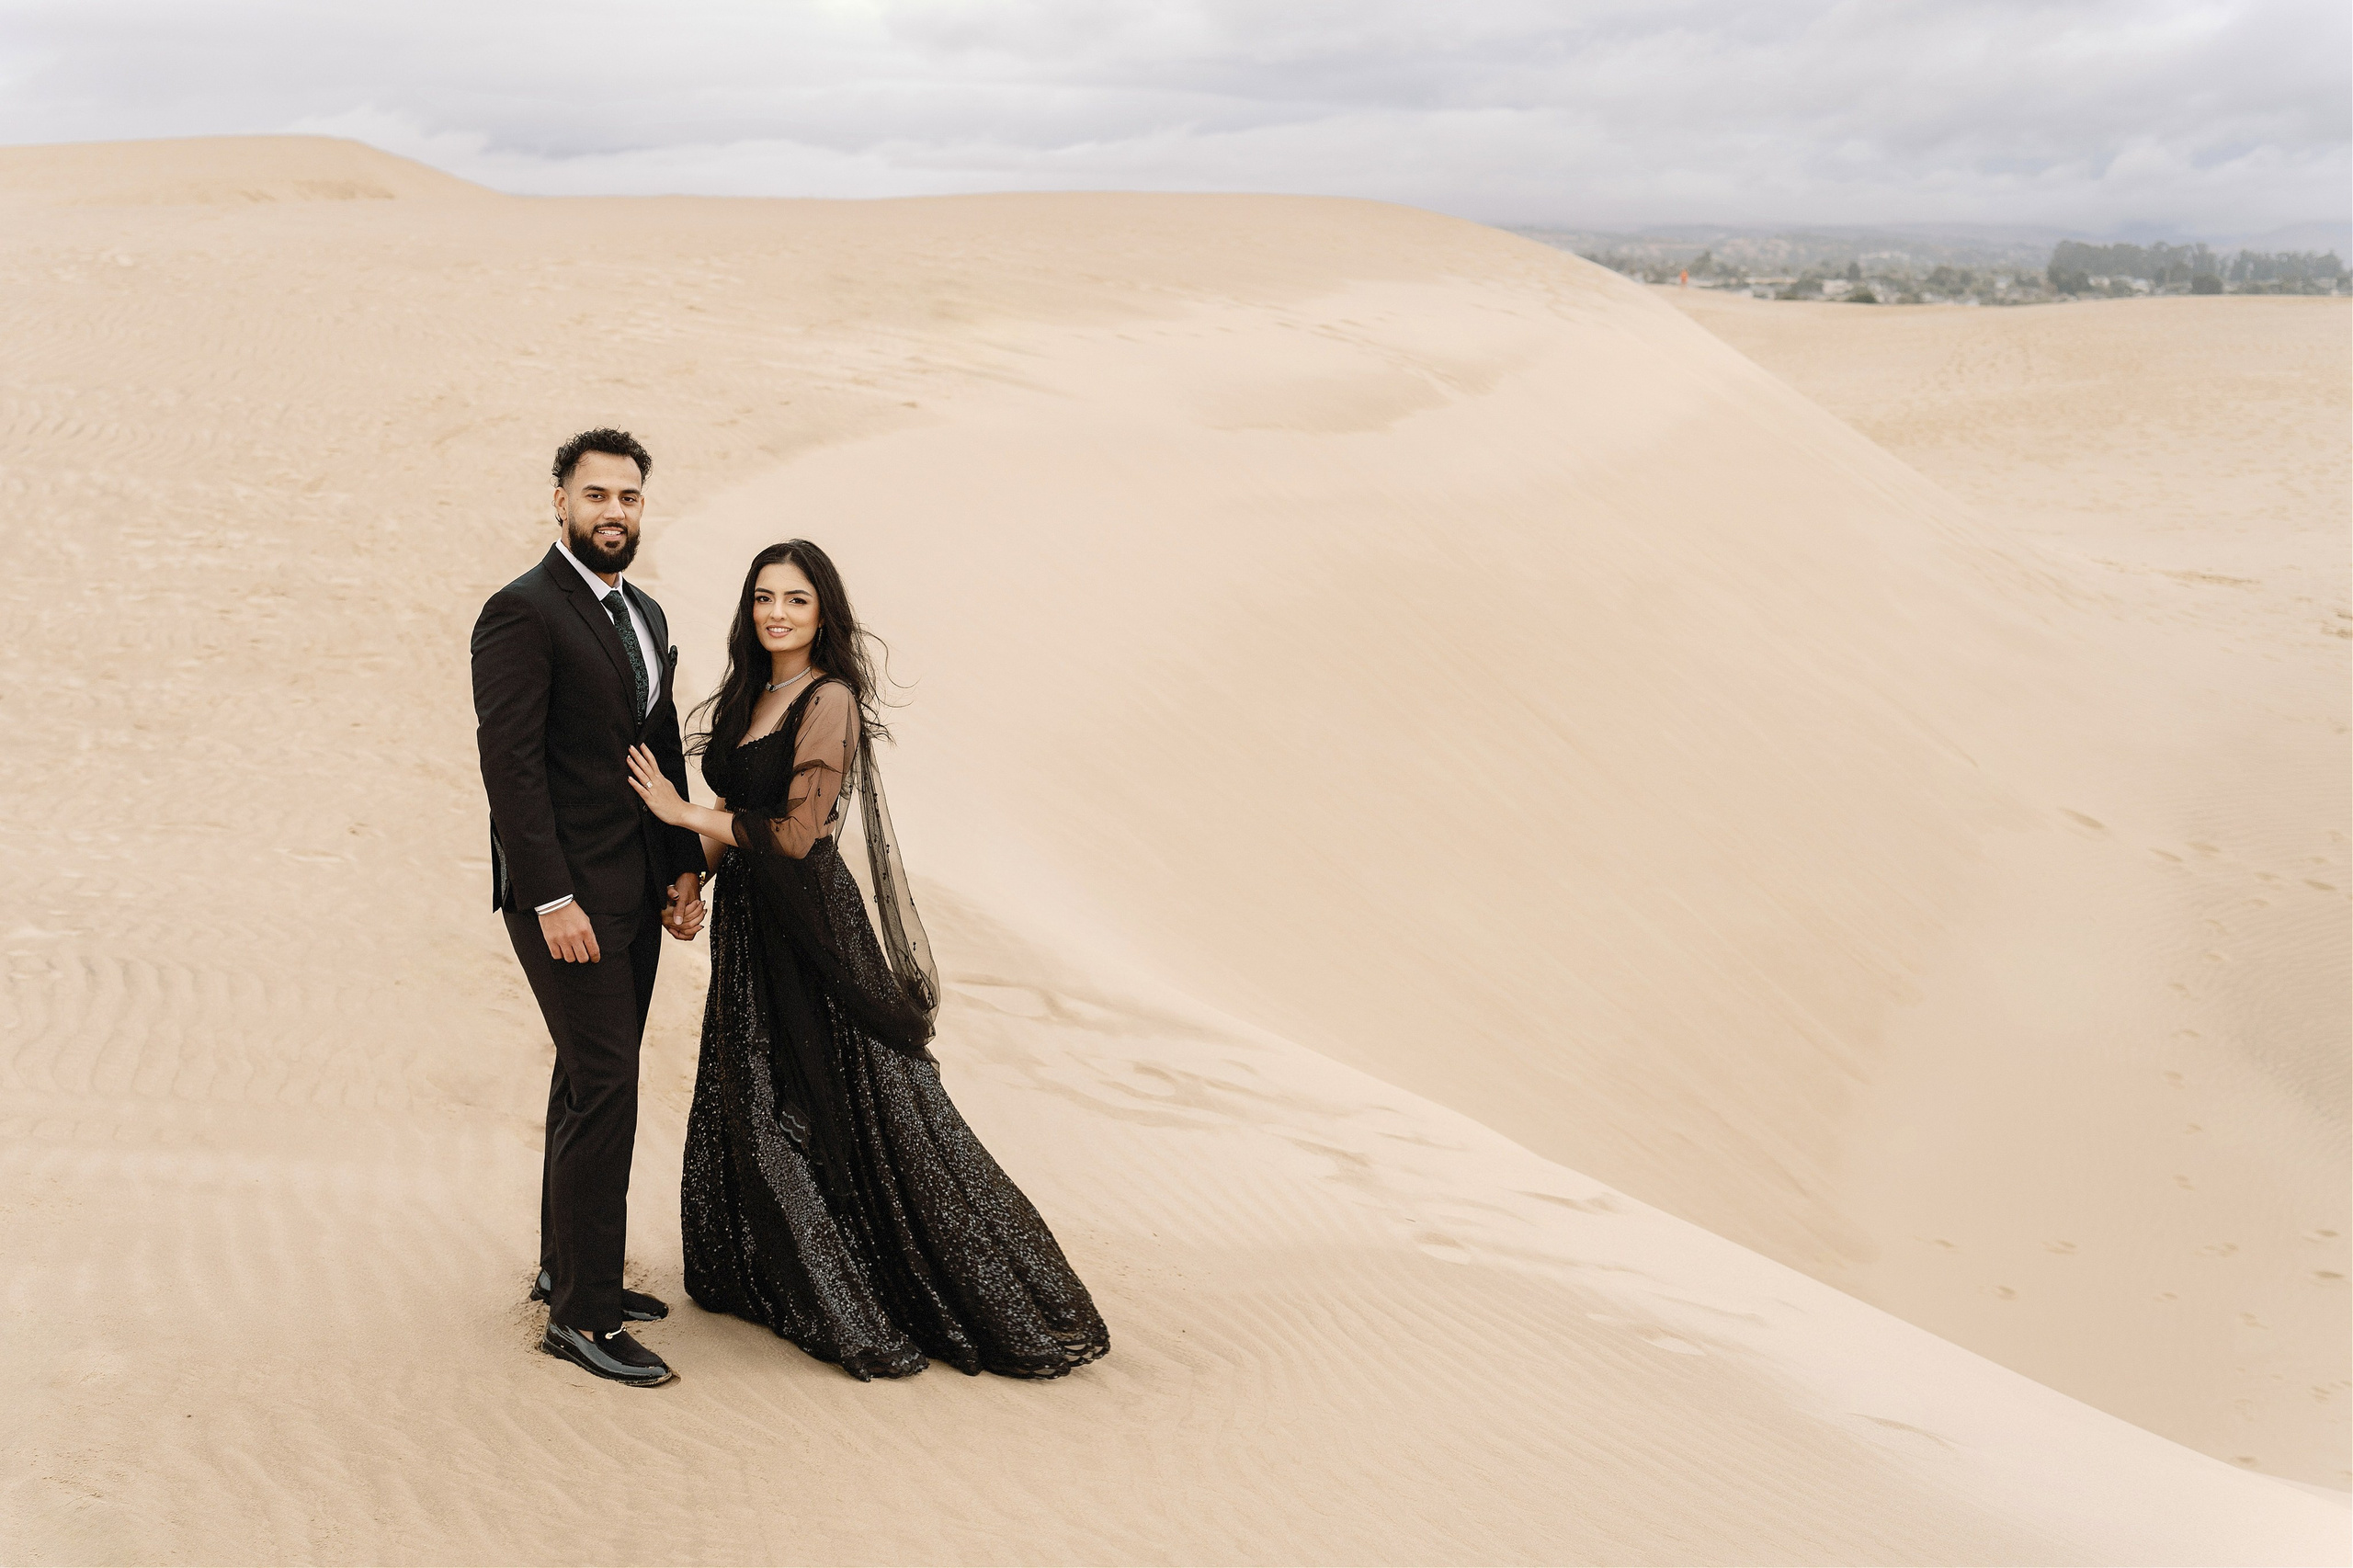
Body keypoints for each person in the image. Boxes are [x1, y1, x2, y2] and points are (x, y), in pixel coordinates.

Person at [624, 540, 1109, 1380]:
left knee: (869, 1107)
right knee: (756, 1096)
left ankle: (889, 1290)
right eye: (764, 598)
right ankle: (784, 1271)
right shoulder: (752, 693)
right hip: (753, 926)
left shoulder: (830, 699)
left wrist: (677, 813)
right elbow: (739, 812)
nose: (777, 613)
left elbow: (798, 834)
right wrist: (691, 881)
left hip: (815, 929)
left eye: (797, 601)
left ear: (824, 614)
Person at [472, 428, 708, 1388]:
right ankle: (584, 1317)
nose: (615, 511)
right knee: (607, 1081)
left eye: (631, 498)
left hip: (631, 889)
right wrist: (552, 897)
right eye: (597, 495)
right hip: (563, 898)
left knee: (586, 1075)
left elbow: (655, 748)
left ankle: (569, 1264)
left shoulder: (641, 612)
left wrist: (683, 866)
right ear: (559, 502)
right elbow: (510, 769)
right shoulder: (520, 612)